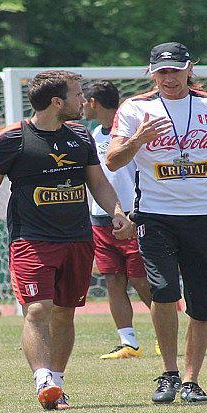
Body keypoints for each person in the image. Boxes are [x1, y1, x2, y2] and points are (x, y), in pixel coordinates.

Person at [0, 70, 133, 410]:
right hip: (31, 239)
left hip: (78, 239)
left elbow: (97, 182)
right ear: (57, 102)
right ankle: (43, 378)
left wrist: (117, 210)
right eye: (77, 95)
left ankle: (56, 385)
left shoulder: (81, 136)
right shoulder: (10, 139)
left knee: (64, 313)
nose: (83, 101)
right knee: (38, 309)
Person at [107, 42, 207, 403]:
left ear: (190, 69)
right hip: (155, 216)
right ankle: (169, 373)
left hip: (204, 216)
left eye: (175, 70)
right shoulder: (134, 108)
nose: (169, 78)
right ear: (151, 73)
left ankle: (191, 380)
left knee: (202, 303)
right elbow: (112, 160)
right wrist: (139, 139)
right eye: (162, 71)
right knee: (165, 292)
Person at [83, 80, 153, 360]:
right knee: (113, 279)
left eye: (83, 100)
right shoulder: (93, 134)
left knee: (141, 279)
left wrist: (136, 212)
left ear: (92, 103)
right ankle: (128, 342)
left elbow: (145, 174)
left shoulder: (132, 132)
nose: (81, 105)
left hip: (133, 217)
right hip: (101, 219)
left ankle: (167, 335)